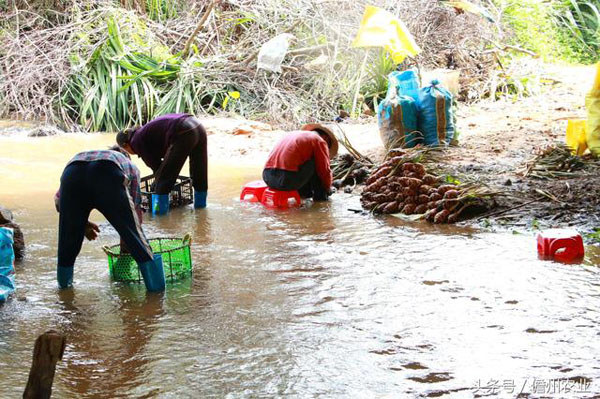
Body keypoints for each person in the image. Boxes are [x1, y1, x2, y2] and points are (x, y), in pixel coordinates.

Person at [54, 146, 164, 291]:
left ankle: (64, 293)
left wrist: (81, 224)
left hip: (71, 173)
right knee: (136, 239)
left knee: (67, 244)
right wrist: (128, 238)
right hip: (107, 174)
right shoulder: (128, 164)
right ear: (125, 156)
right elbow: (135, 211)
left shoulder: (83, 157)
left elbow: (58, 202)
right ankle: (157, 295)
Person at [116, 113, 208, 214]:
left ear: (126, 145)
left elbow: (157, 167)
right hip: (198, 126)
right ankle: (201, 210)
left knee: (162, 181)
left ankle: (160, 219)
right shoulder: (143, 133)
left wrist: (156, 185)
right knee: (200, 172)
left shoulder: (136, 141)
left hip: (182, 130)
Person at [263, 124, 338, 201]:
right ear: (326, 138)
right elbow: (324, 170)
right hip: (285, 181)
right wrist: (327, 188)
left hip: (267, 178)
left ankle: (304, 193)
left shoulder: (291, 134)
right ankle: (320, 198)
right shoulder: (319, 140)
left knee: (305, 162)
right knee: (316, 162)